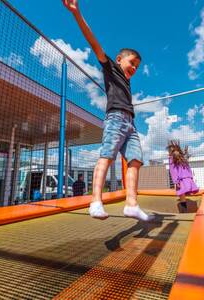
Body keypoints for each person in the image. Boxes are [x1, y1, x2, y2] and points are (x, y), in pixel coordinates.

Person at [63, 0, 151, 221]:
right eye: (132, 63)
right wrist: (77, 14)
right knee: (107, 156)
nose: (134, 68)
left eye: (137, 67)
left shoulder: (127, 82)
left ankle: (131, 204)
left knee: (135, 160)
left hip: (131, 123)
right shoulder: (111, 67)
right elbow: (94, 43)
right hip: (115, 119)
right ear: (119, 59)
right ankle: (95, 201)